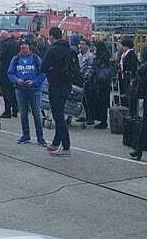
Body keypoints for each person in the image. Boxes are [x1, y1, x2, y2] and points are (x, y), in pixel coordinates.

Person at [41, 27, 73, 157]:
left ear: (52, 36)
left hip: (55, 85)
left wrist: (51, 68)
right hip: (67, 85)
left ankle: (66, 146)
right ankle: (56, 142)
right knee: (60, 113)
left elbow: (43, 67)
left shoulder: (52, 50)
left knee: (58, 116)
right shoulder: (69, 50)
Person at [7, 42, 47, 146]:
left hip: (34, 90)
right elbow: (10, 73)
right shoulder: (15, 59)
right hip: (20, 89)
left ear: (30, 50)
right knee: (23, 114)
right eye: (22, 49)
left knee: (36, 114)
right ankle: (26, 135)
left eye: (26, 49)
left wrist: (34, 82)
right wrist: (17, 80)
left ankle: (40, 137)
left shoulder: (36, 59)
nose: (24, 51)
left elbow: (43, 73)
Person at [0, 31, 20, 118]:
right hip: (14, 70)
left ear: (3, 37)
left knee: (5, 91)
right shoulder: (15, 43)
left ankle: (7, 111)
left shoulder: (5, 45)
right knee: (12, 91)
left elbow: (1, 57)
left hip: (5, 69)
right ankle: (15, 110)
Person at [91, 41, 112, 129]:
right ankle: (102, 120)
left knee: (102, 101)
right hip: (105, 82)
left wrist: (95, 61)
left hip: (102, 82)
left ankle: (103, 121)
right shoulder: (105, 54)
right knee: (103, 101)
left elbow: (98, 66)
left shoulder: (101, 56)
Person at [119, 37, 139, 116]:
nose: (122, 47)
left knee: (129, 95)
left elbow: (133, 67)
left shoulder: (131, 54)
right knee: (124, 94)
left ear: (127, 46)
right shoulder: (124, 54)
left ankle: (131, 112)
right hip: (124, 76)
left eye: (123, 46)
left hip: (129, 77)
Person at [78, 40, 95, 125]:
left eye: (83, 44)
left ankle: (90, 117)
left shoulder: (90, 56)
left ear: (87, 46)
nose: (80, 46)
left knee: (88, 99)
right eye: (80, 44)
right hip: (80, 79)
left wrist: (86, 77)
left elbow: (90, 68)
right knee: (81, 99)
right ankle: (83, 115)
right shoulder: (79, 55)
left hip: (87, 81)